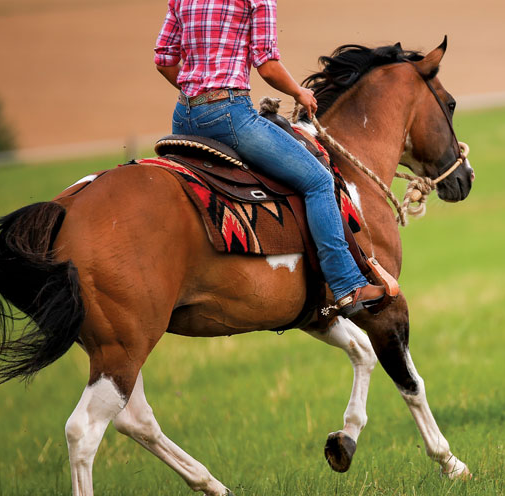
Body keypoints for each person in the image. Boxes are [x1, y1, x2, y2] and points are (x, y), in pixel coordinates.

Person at [153, 0, 388, 316]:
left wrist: (197, 94)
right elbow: (267, 65)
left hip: (183, 116)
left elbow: (165, 60)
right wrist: (299, 94)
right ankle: (347, 284)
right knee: (318, 180)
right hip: (230, 115)